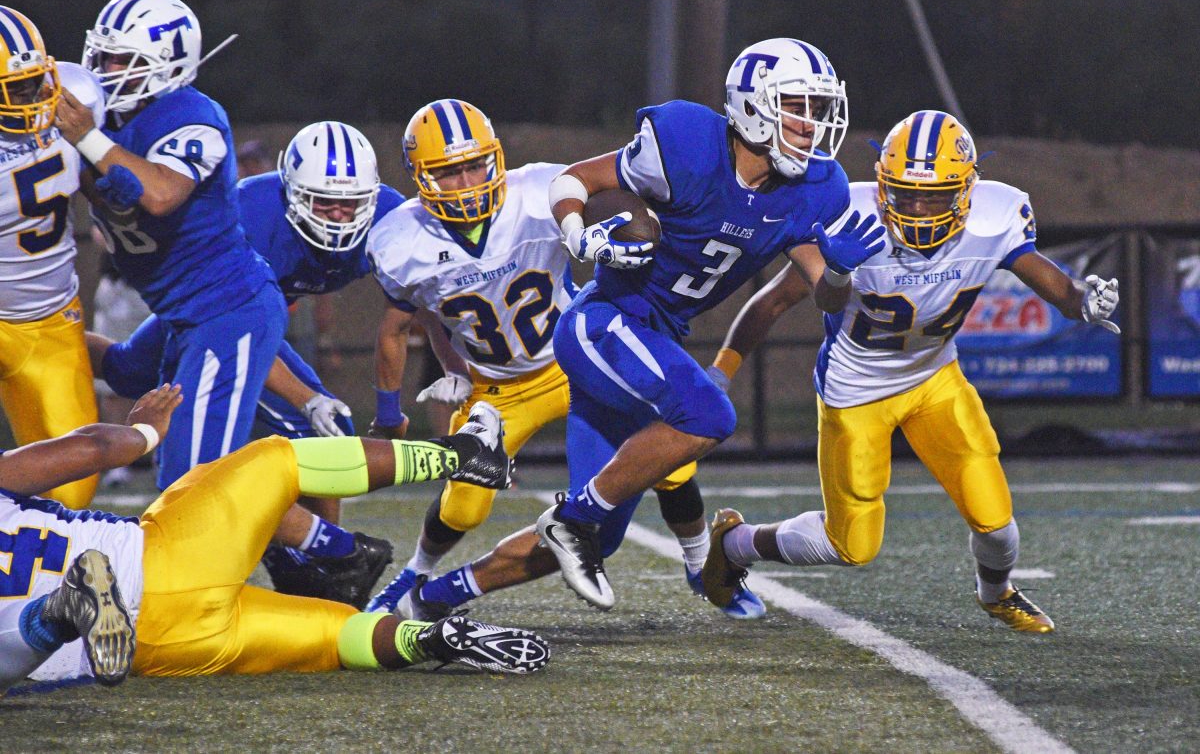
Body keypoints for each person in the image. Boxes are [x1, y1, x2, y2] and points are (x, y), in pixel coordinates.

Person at [388, 40, 885, 618]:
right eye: (796, 106)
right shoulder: (688, 144)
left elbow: (825, 292)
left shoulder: (815, 189)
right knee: (708, 416)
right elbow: (574, 180)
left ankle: (430, 598)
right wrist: (579, 236)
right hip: (603, 323)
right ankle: (591, 526)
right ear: (751, 106)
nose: (811, 123)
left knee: (603, 536)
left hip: (650, 339)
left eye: (818, 108)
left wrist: (841, 273)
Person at [699, 110, 1121, 633]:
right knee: (850, 545)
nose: (918, 210)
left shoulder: (996, 216)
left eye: (935, 197)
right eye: (905, 194)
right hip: (856, 391)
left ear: (966, 191)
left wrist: (1083, 301)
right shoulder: (846, 214)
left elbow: (1052, 283)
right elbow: (776, 301)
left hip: (933, 380)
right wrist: (722, 369)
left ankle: (996, 593)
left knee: (997, 523)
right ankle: (735, 544)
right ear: (882, 185)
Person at [365, 99, 728, 616]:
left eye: (475, 165)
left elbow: (622, 198)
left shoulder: (540, 192)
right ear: (419, 177)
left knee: (670, 461)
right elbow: (402, 323)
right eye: (448, 172)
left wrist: (619, 233)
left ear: (496, 158)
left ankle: (698, 560)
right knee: (463, 506)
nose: (466, 183)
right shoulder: (400, 241)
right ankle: (415, 573)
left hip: (571, 363)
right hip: (496, 388)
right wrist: (424, 385)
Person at [91, 121, 460, 607]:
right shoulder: (246, 215)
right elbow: (236, 331)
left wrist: (425, 388)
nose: (338, 216)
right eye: (323, 204)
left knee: (328, 434)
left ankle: (320, 568)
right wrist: (307, 399)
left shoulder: (390, 218)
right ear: (293, 193)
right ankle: (47, 336)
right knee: (128, 376)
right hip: (209, 311)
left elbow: (419, 303)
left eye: (349, 204)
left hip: (253, 318)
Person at [0, 385, 549, 695]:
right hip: (158, 561)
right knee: (275, 461)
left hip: (153, 648)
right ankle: (462, 455)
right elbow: (95, 449)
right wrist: (143, 431)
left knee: (334, 637)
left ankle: (429, 641)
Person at [54, 0, 287, 493]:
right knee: (123, 370)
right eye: (101, 55)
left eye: (122, 60)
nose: (105, 70)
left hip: (226, 306)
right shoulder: (107, 119)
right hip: (179, 311)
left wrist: (86, 140)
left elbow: (161, 194)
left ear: (167, 65)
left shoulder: (191, 114)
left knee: (190, 480)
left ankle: (329, 529)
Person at [0, 6, 106, 509]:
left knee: (73, 490)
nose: (30, 98)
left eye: (32, 82)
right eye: (13, 88)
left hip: (50, 322)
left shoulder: (78, 95)